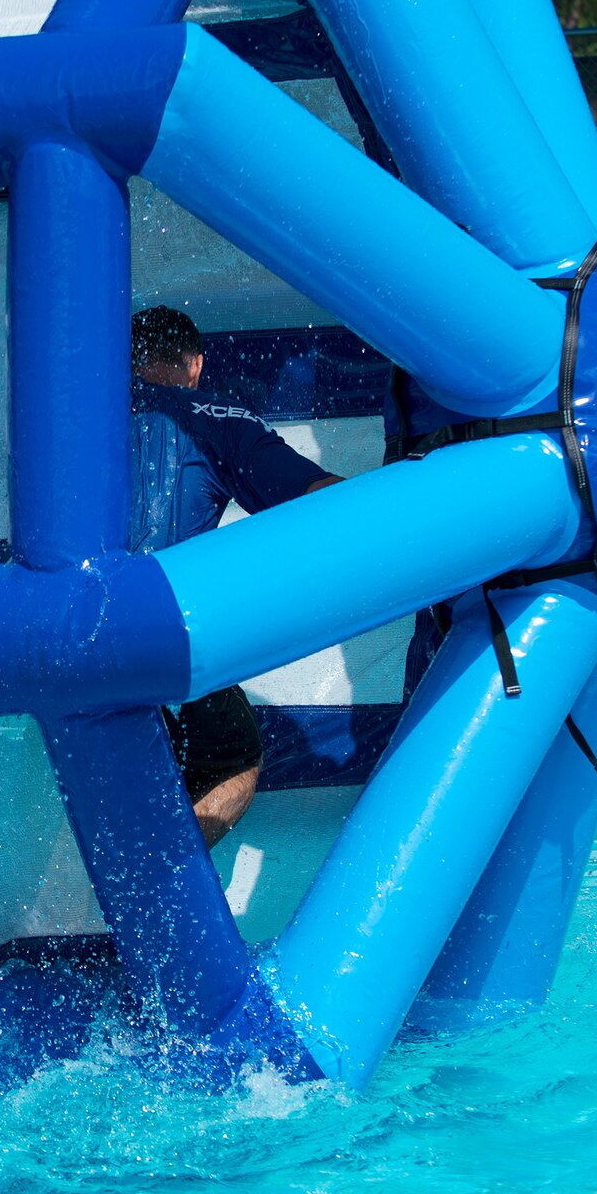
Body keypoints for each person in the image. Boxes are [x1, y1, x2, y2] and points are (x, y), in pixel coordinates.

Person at [130, 307, 340, 847]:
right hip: (158, 633)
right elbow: (311, 498)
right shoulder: (213, 414)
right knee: (234, 756)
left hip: (61, 629)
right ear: (196, 365)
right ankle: (163, 888)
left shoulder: (76, 417)